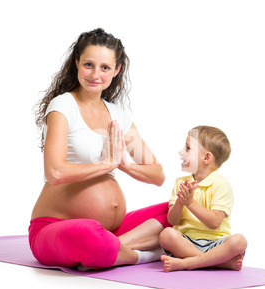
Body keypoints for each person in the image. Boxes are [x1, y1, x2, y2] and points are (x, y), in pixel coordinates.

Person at [30, 28, 169, 270]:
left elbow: (157, 174)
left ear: (116, 70)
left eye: (105, 67)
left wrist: (123, 164)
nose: (96, 74)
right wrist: (106, 164)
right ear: (76, 63)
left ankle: (114, 247)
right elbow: (55, 172)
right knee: (90, 236)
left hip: (110, 229)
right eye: (88, 65)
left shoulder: (117, 115)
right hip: (55, 228)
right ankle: (141, 254)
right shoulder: (63, 107)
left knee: (177, 211)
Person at [159, 126, 247, 272]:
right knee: (166, 235)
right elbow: (172, 221)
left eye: (188, 148)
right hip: (188, 243)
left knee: (239, 241)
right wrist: (181, 202)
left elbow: (214, 223)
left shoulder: (221, 184)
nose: (181, 152)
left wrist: (190, 203)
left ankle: (188, 263)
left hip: (217, 245)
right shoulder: (180, 183)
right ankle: (216, 263)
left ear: (206, 158)